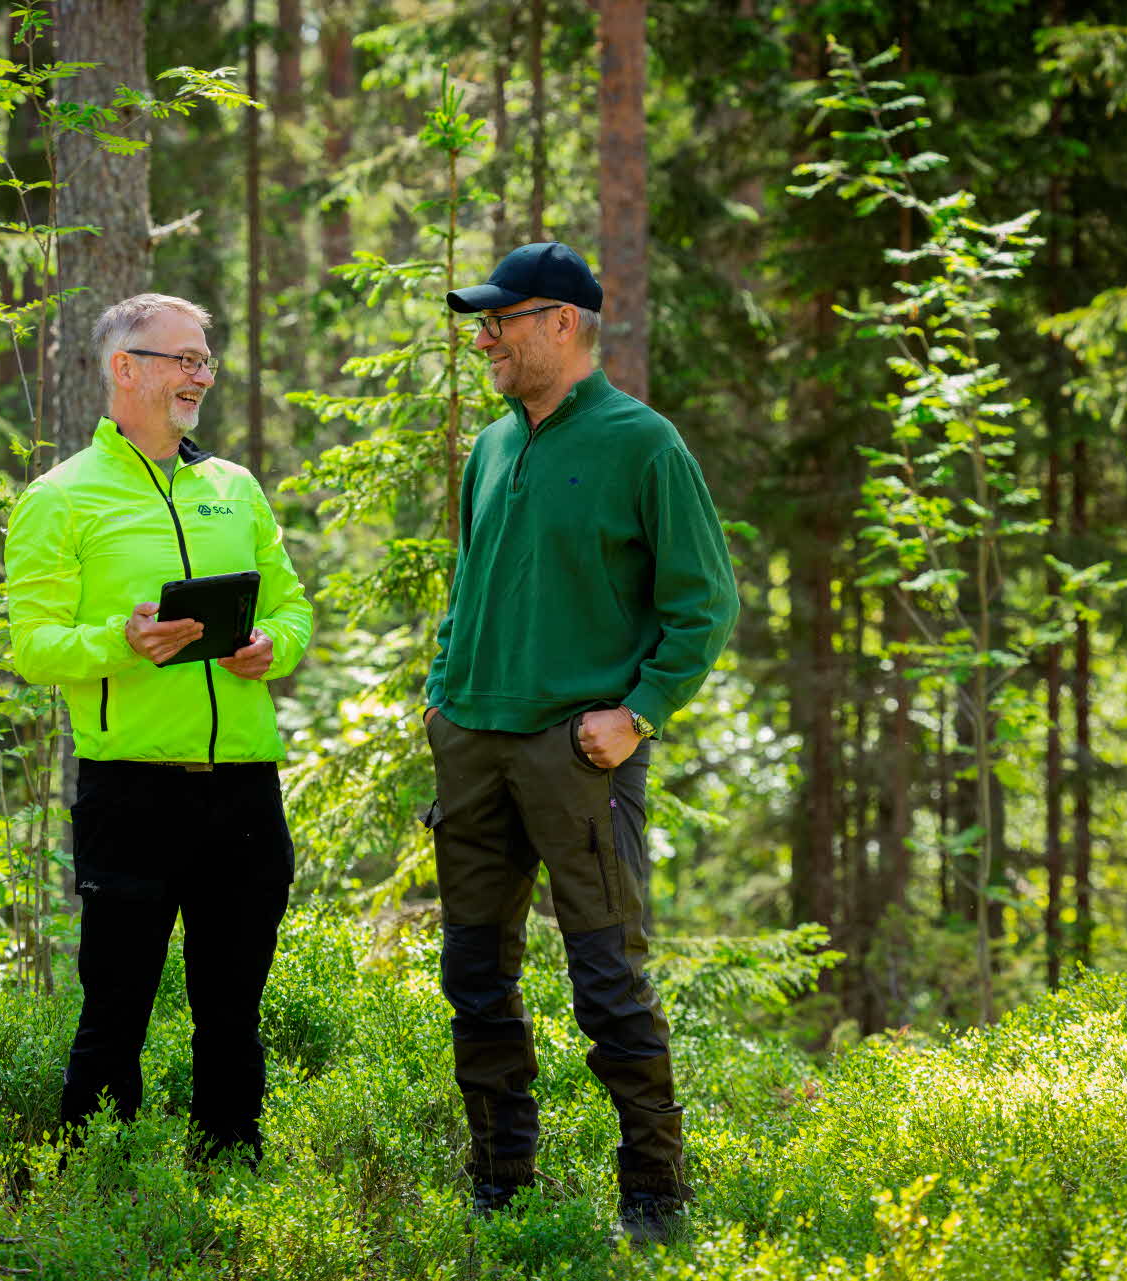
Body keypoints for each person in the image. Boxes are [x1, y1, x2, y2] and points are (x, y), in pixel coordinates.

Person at [423, 242, 739, 1243]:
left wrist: (637, 712)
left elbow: (704, 604)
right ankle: (501, 1183)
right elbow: (470, 590)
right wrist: (444, 697)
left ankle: (654, 1193)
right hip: (473, 745)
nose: (486, 339)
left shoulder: (643, 444)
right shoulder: (492, 447)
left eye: (502, 322)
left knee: (606, 977)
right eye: (482, 322)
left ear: (563, 323)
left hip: (578, 754)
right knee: (475, 975)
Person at [5, 292, 313, 1162]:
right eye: (182, 359)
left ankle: (230, 1181)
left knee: (233, 1016)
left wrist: (269, 646)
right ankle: (93, 1188)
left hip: (246, 790)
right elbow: (34, 647)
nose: (199, 375)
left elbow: (291, 609)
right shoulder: (59, 498)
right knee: (115, 1014)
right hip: (129, 790)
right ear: (124, 368)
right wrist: (125, 641)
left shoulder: (234, 487)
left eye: (205, 360)